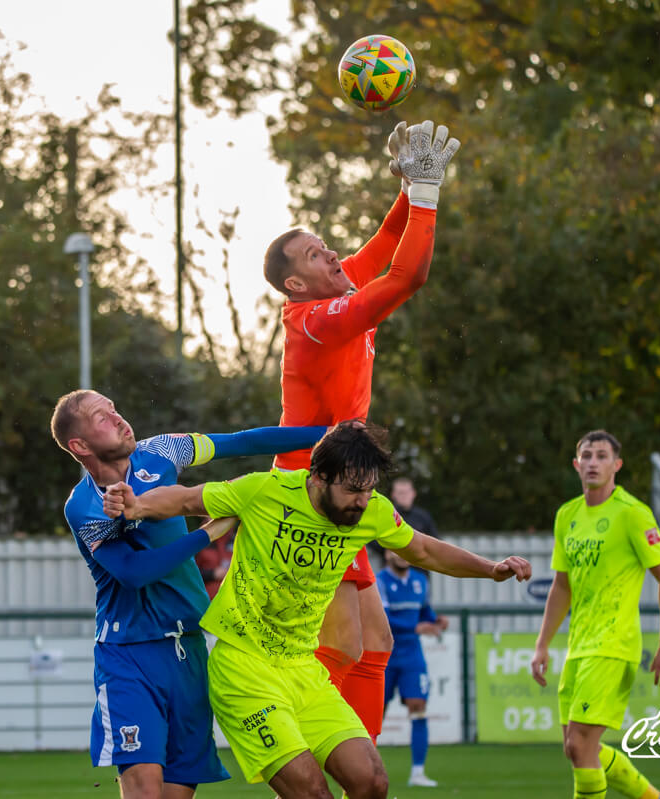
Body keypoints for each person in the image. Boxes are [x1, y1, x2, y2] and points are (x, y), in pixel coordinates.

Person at [102, 422, 531, 798]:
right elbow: (187, 499)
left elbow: (422, 548)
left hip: (304, 671)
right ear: (318, 475)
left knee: (371, 782)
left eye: (369, 489)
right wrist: (137, 505)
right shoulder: (265, 491)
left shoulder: (371, 512)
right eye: (352, 490)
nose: (362, 502)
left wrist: (490, 569)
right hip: (245, 671)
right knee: (310, 793)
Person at [263, 119, 460, 740]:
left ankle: (358, 770)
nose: (332, 254)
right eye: (316, 253)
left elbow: (385, 242)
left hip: (337, 486)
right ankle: (303, 759)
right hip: (308, 494)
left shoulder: (334, 289)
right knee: (344, 649)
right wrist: (425, 195)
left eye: (326, 245)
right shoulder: (316, 319)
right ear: (297, 283)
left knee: (376, 641)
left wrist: (409, 188)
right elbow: (407, 276)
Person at [51, 389, 327, 799]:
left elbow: (243, 442)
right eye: (101, 417)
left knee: (177, 794)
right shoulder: (83, 505)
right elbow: (133, 573)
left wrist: (330, 434)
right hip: (128, 653)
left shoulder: (163, 450)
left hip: (189, 648)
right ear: (80, 445)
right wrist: (208, 533)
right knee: (146, 791)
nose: (119, 417)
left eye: (114, 408)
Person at [530, 431, 660, 799]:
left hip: (615, 645)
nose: (593, 462)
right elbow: (562, 585)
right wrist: (542, 644)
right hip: (579, 646)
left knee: (581, 746)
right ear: (576, 465)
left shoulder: (632, 513)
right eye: (587, 456)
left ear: (617, 465)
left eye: (601, 456)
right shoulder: (567, 515)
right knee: (577, 749)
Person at [377, 548, 447, 788]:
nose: (403, 555)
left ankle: (418, 772)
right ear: (387, 554)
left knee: (418, 707)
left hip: (412, 655)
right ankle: (365, 771)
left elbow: (425, 611)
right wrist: (415, 627)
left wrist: (436, 620)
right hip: (385, 655)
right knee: (375, 714)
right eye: (397, 551)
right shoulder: (380, 581)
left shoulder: (420, 581)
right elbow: (383, 618)